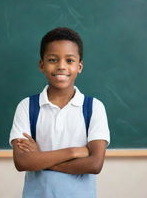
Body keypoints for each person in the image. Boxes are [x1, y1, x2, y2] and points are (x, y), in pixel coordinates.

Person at [9, 27, 110, 198]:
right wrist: (73, 152)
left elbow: (94, 164)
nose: (61, 66)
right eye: (53, 60)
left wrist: (39, 159)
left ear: (80, 66)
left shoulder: (93, 107)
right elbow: (22, 162)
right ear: (42, 65)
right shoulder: (27, 106)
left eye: (69, 60)